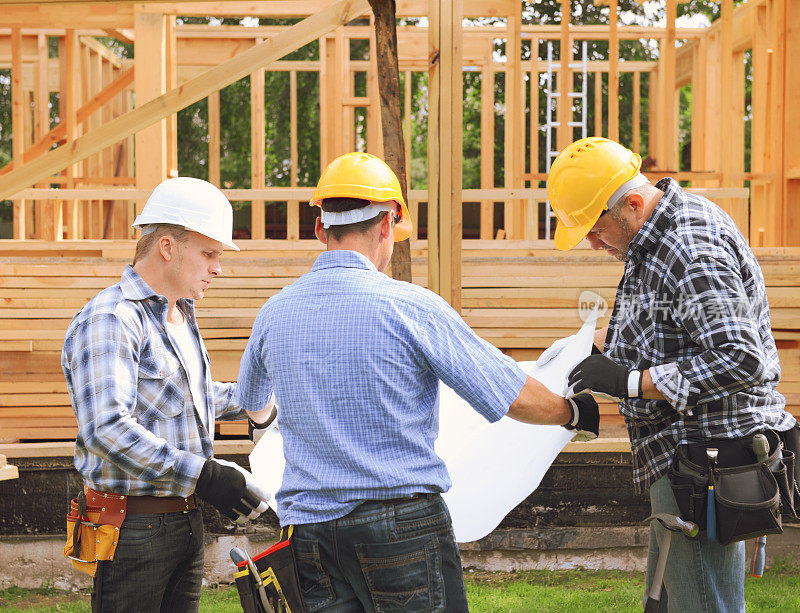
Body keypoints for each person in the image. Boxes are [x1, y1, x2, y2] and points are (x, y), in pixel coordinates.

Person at [236, 152, 599, 612]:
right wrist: (571, 413)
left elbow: (253, 402)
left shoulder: (275, 312)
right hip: (399, 526)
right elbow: (508, 393)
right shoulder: (410, 307)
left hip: (309, 532)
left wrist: (275, 424)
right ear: (388, 223)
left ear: (320, 229)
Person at [547, 137, 800, 612]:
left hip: (705, 461)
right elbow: (667, 323)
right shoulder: (654, 238)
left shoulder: (688, 247)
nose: (595, 244)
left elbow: (741, 356)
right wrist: (582, 351)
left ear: (634, 204)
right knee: (666, 602)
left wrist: (628, 383)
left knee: (703, 605)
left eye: (597, 231)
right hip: (684, 458)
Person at [62, 177, 274, 613]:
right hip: (133, 526)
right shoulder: (112, 319)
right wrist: (206, 475)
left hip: (184, 520)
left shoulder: (179, 313)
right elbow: (107, 429)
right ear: (167, 246)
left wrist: (257, 397)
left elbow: (187, 397)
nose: (218, 268)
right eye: (210, 253)